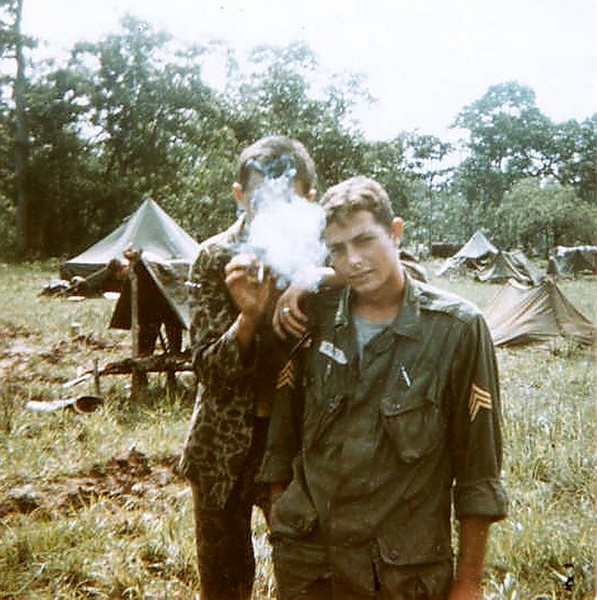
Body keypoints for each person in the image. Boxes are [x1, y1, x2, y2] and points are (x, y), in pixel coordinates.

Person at [260, 176, 508, 600]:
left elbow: (478, 472)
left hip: (401, 577)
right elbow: (281, 444)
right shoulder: (311, 319)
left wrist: (468, 583)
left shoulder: (456, 330)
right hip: (310, 570)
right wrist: (284, 525)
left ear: (395, 232)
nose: (353, 260)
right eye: (337, 249)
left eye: (364, 241)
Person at [178, 135, 317, 600]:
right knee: (224, 582)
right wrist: (249, 317)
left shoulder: (324, 257)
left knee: (302, 575)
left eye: (287, 200)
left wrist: (314, 281)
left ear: (309, 201)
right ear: (239, 197)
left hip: (299, 443)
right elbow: (207, 371)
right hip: (223, 446)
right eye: (260, 199)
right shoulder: (215, 257)